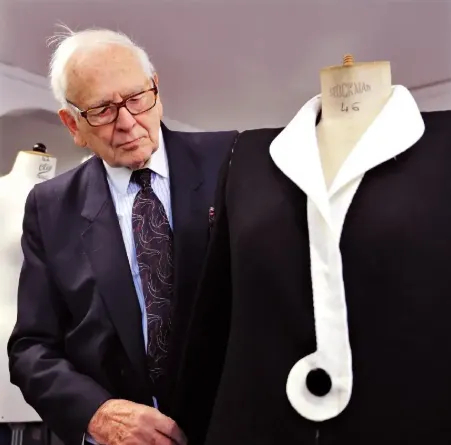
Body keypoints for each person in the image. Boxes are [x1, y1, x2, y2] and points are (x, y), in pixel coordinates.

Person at [7, 26, 238, 445]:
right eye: (102, 110)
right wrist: (96, 414)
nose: (128, 123)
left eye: (136, 99)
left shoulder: (232, 160)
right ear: (72, 124)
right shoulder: (51, 206)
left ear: (156, 90)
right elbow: (31, 348)